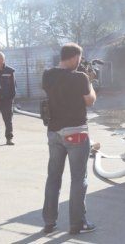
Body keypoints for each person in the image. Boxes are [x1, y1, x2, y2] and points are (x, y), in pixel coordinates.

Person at [41, 43, 97, 234]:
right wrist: (89, 81)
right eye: (79, 59)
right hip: (76, 132)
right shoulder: (80, 77)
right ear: (74, 58)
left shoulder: (47, 75)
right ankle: (77, 223)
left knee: (53, 177)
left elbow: (59, 85)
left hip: (54, 132)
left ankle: (49, 222)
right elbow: (90, 100)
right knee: (78, 179)